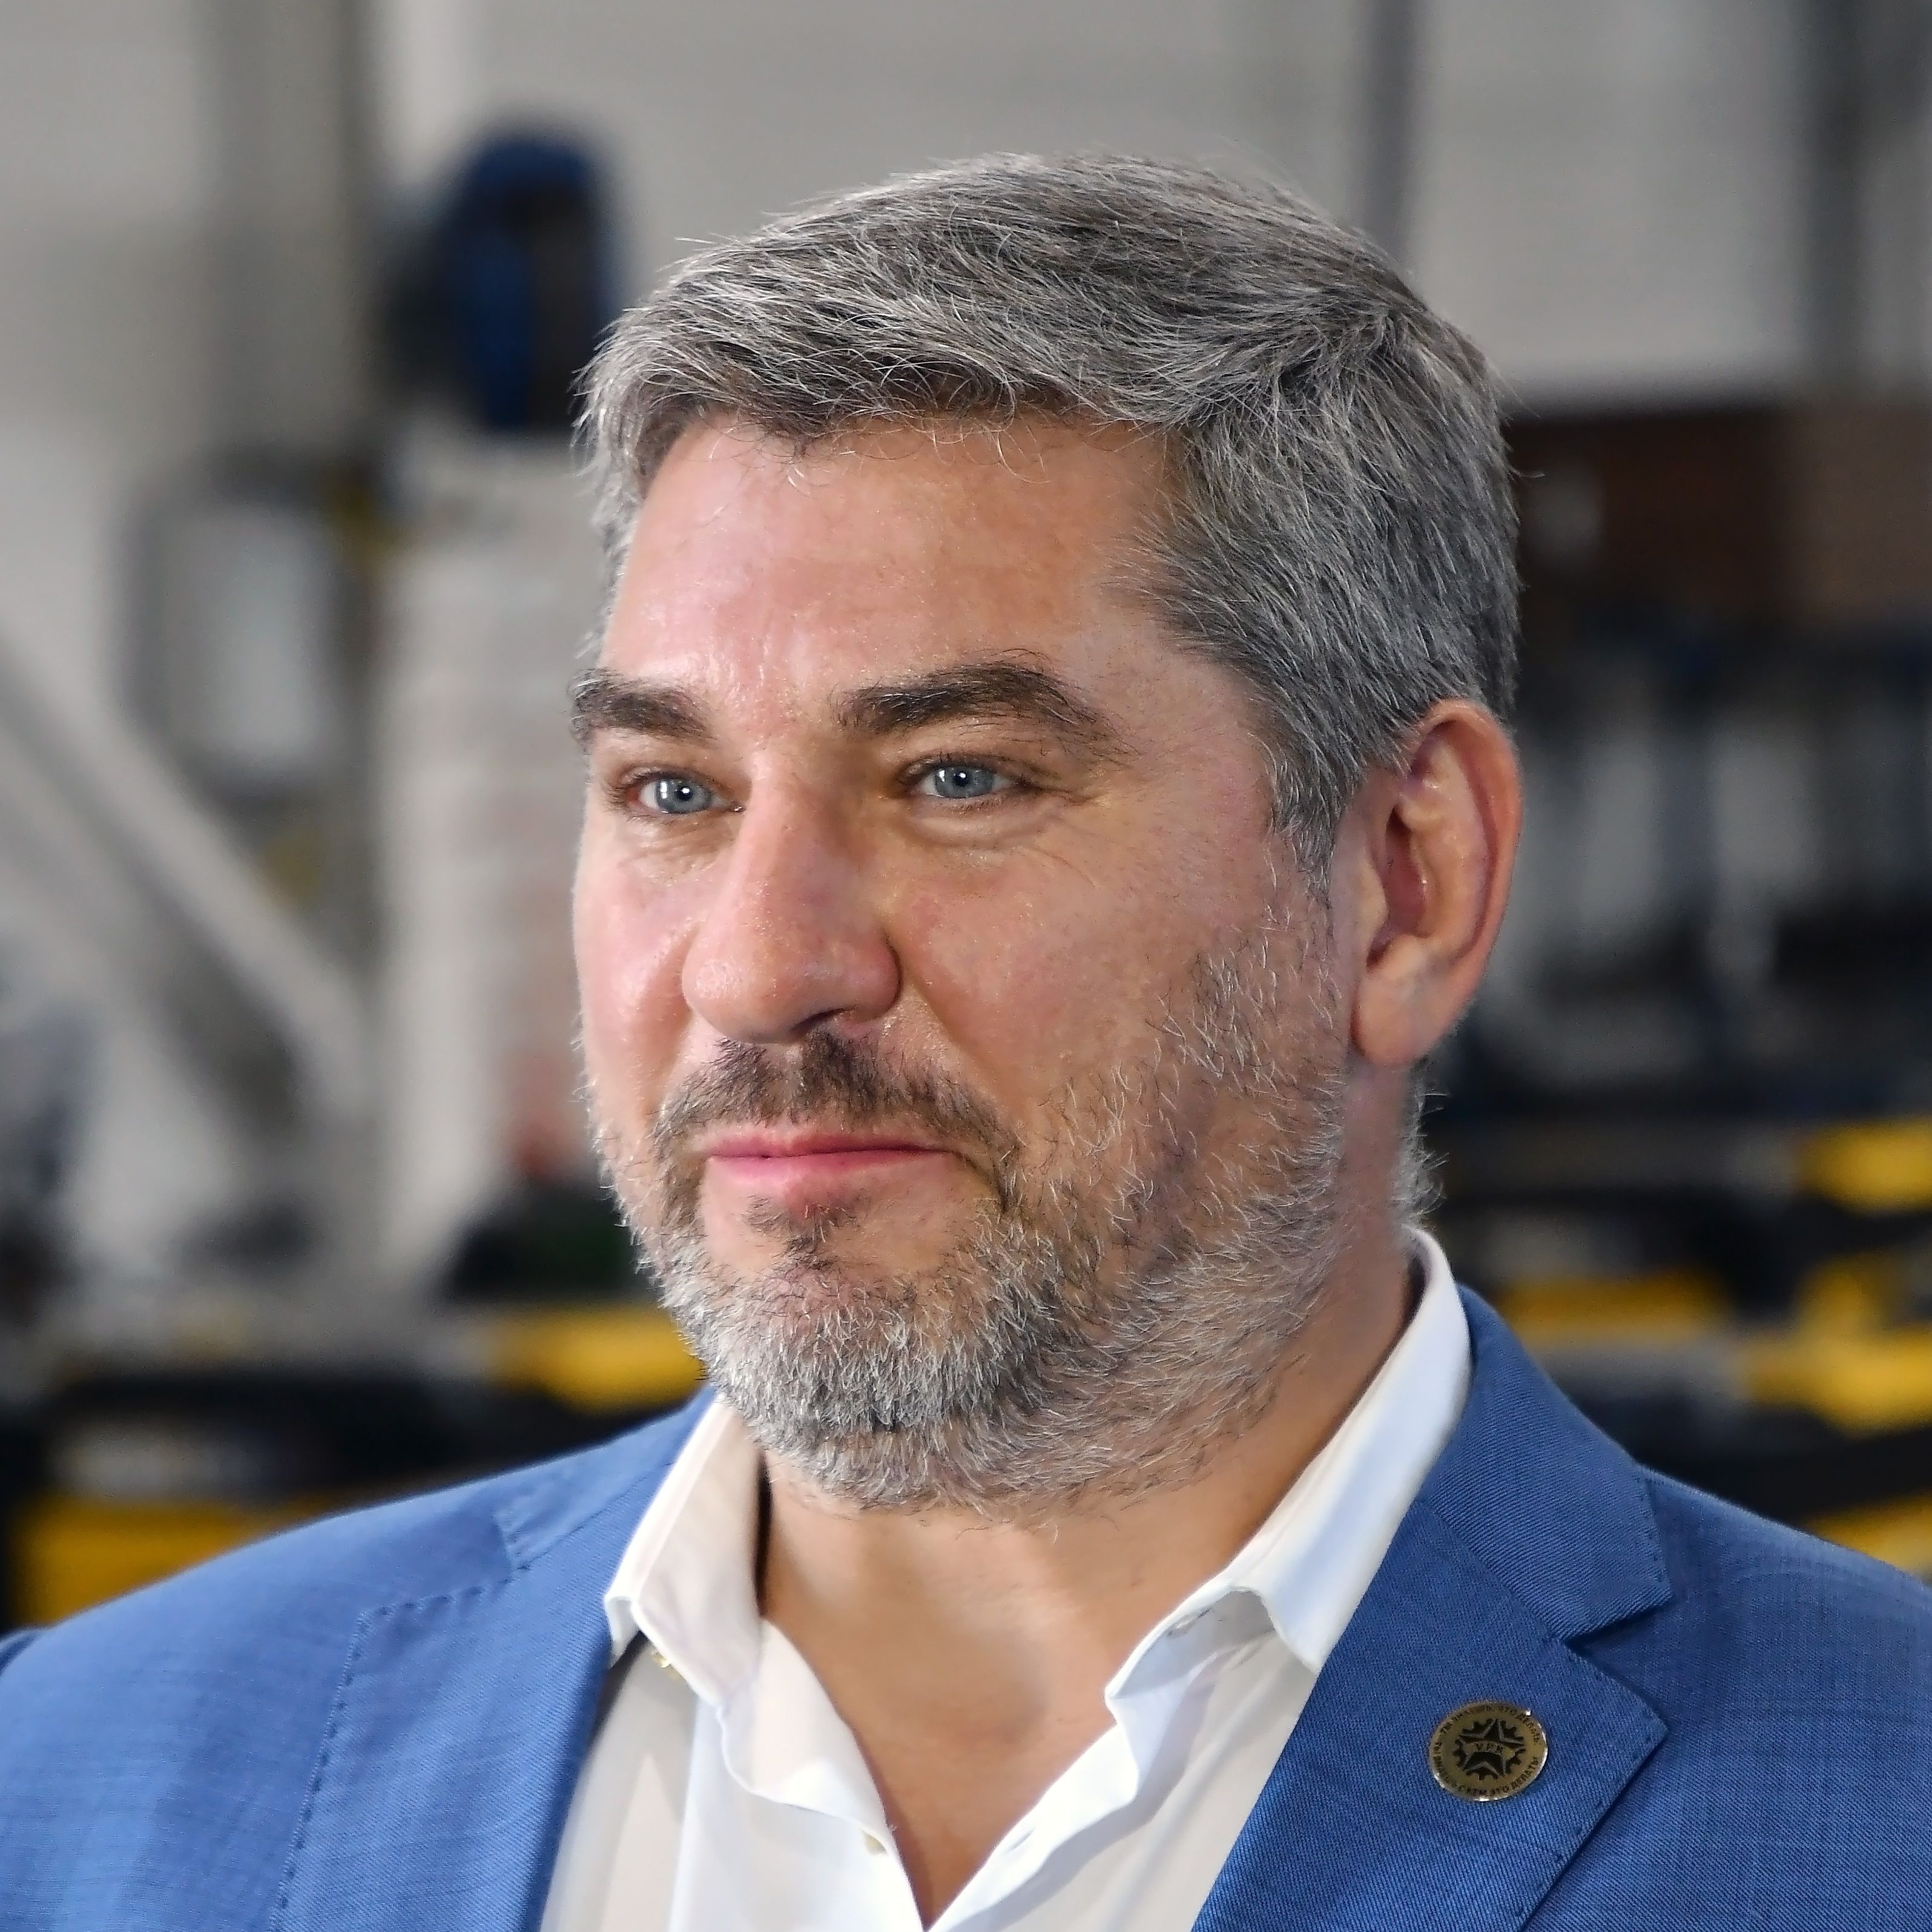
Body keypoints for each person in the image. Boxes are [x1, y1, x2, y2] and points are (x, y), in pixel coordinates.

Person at [1, 154, 1928, 1932]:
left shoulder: (1874, 1820)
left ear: (1408, 881)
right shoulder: (87, 1785)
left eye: (959, 777)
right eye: (673, 793)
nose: (758, 970)